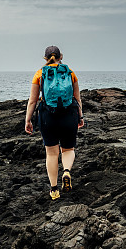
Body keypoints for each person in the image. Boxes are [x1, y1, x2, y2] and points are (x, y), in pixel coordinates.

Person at [25, 45, 84, 199]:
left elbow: (32, 101)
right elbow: (77, 99)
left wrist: (28, 120)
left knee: (51, 153)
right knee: (68, 149)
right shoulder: (70, 73)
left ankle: (54, 190)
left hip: (47, 117)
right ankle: (66, 171)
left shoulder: (40, 73)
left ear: (46, 58)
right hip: (69, 115)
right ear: (60, 57)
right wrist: (80, 117)